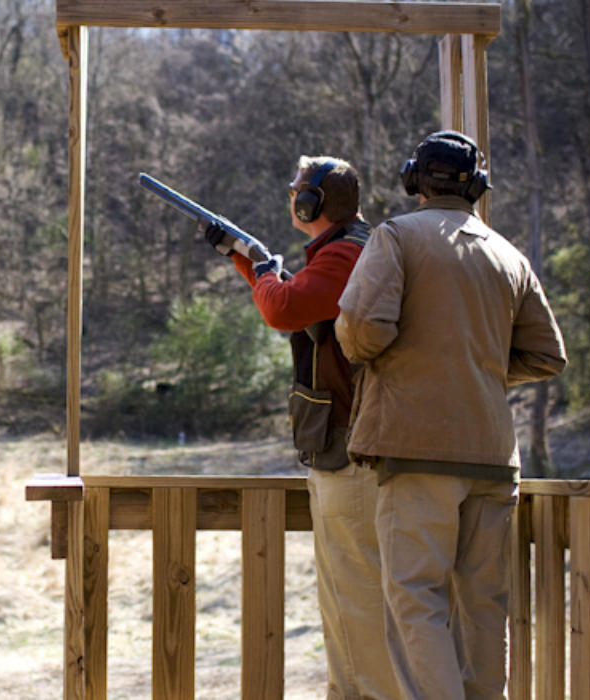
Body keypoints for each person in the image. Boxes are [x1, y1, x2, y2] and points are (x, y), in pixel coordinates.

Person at [334, 131, 567, 700]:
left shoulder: (395, 236)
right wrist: (473, 371)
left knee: (415, 604)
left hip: (417, 453)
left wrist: (406, 363)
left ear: (416, 179)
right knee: (485, 607)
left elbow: (364, 331)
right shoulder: (508, 254)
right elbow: (546, 355)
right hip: (493, 458)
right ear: (478, 187)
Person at [204, 155, 399, 700]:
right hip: (348, 443)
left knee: (357, 597)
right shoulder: (348, 251)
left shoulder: (344, 254)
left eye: (297, 192)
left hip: (352, 447)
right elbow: (296, 299)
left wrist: (262, 269)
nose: (291, 198)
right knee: (344, 595)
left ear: (312, 203)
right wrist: (246, 261)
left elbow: (284, 307)